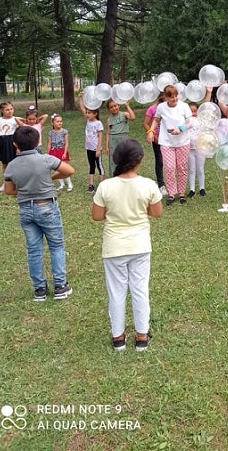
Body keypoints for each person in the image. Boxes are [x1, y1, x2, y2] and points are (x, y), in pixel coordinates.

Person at [92, 139, 163, 352]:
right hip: (140, 245)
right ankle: (142, 336)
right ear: (139, 160)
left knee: (116, 292)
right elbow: (157, 212)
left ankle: (118, 338)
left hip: (114, 246)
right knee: (140, 290)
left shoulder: (105, 186)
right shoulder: (148, 185)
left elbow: (97, 216)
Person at [4, 126, 74, 302]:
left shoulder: (11, 165)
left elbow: (9, 190)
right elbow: (69, 170)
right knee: (56, 246)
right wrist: (51, 178)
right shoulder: (45, 159)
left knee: (34, 250)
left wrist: (25, 189)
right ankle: (60, 286)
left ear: (15, 144)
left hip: (26, 210)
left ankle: (40, 289)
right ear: (37, 143)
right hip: (47, 207)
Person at [146, 84, 192, 205]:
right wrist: (151, 131)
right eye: (171, 97)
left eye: (176, 96)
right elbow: (156, 120)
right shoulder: (161, 107)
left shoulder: (184, 106)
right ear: (166, 97)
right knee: (170, 168)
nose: (175, 99)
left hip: (182, 142)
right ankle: (172, 193)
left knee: (182, 168)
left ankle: (181, 193)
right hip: (166, 142)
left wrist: (181, 128)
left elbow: (190, 122)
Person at [187, 87, 213, 198]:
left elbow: (205, 105)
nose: (193, 113)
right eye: (191, 111)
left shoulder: (201, 119)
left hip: (201, 148)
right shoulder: (186, 120)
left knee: (200, 169)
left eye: (195, 111)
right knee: (191, 169)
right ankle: (192, 189)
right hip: (189, 148)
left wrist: (209, 92)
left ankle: (202, 188)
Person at [78, 92, 105, 193]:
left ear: (95, 114)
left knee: (99, 166)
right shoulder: (88, 121)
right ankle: (91, 185)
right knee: (91, 166)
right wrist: (80, 98)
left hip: (96, 149)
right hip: (88, 148)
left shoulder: (98, 123)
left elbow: (100, 137)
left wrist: (98, 150)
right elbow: (82, 108)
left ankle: (102, 186)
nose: (87, 114)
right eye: (87, 113)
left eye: (89, 113)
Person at [143, 93, 167, 196]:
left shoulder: (169, 108)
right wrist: (152, 133)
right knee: (160, 161)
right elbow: (146, 124)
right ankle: (161, 184)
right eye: (160, 101)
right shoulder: (152, 109)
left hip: (169, 139)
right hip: (157, 139)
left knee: (169, 162)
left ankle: (171, 184)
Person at [105, 99, 136, 176]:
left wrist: (127, 106)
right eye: (111, 107)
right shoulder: (109, 119)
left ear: (118, 105)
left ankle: (125, 176)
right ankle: (114, 177)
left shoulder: (124, 114)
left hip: (123, 139)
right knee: (114, 159)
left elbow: (133, 117)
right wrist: (107, 146)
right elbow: (108, 133)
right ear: (109, 109)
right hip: (113, 141)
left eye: (115, 106)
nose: (114, 108)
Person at [0, 101, 18, 192]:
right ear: (2, 110)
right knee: (5, 164)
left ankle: (16, 182)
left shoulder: (16, 119)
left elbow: (19, 132)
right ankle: (5, 183)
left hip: (13, 142)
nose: (10, 111)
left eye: (11, 109)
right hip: (3, 142)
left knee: (15, 163)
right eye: (7, 110)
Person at [47, 113, 73, 192]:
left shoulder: (64, 132)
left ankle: (70, 184)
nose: (60, 123)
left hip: (62, 150)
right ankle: (62, 184)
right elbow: (49, 143)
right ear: (52, 123)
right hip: (54, 151)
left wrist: (65, 153)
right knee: (56, 169)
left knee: (64, 168)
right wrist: (48, 154)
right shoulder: (50, 133)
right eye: (57, 121)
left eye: (61, 121)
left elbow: (66, 143)